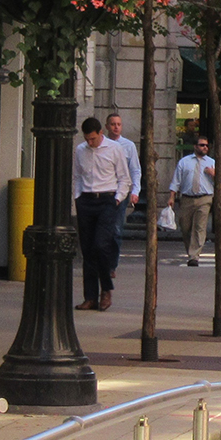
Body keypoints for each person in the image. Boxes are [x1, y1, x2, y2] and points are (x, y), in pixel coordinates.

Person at [72, 116, 132, 311]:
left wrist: (117, 198)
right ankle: (90, 296)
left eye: (93, 139)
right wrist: (78, 197)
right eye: (87, 139)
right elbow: (77, 176)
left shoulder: (115, 150)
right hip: (87, 200)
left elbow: (124, 177)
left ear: (101, 133)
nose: (90, 143)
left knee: (101, 244)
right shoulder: (80, 150)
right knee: (88, 249)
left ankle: (106, 289)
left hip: (107, 199)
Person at [103, 113, 141, 280]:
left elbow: (135, 169)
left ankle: (112, 265)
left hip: (122, 192)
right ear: (107, 126)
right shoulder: (102, 144)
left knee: (116, 230)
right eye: (112, 124)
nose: (116, 127)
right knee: (103, 230)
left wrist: (135, 191)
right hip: (104, 191)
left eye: (118, 124)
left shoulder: (128, 146)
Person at [168, 137, 217, 267]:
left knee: (199, 227)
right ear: (195, 146)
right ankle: (190, 250)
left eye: (207, 145)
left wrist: (213, 173)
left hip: (204, 198)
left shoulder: (211, 162)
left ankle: (194, 256)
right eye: (202, 145)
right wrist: (172, 197)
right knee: (185, 227)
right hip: (187, 198)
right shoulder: (184, 162)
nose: (205, 147)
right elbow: (176, 180)